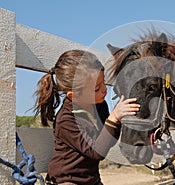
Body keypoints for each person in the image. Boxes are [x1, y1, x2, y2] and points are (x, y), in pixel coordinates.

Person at [33, 49, 140, 185]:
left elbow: (107, 141)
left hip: (91, 179)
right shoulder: (66, 119)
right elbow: (96, 152)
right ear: (74, 96)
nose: (104, 90)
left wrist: (119, 119)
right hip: (68, 180)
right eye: (96, 88)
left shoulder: (100, 105)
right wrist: (114, 118)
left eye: (103, 83)